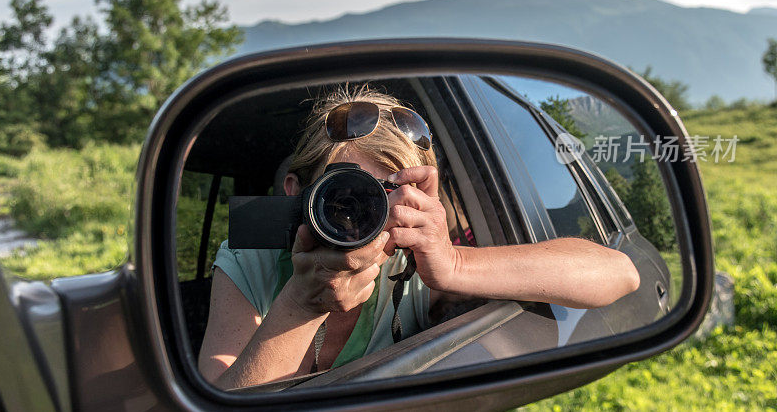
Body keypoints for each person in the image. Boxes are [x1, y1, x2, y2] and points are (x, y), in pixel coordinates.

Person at [197, 86, 640, 390]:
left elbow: (620, 274)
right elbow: (219, 400)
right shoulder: (251, 258)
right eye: (340, 193)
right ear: (295, 195)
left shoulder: (412, 270)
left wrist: (453, 265)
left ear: (413, 203)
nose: (358, 215)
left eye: (381, 196)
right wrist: (300, 303)